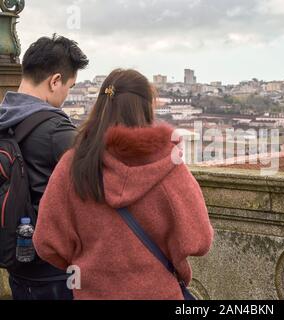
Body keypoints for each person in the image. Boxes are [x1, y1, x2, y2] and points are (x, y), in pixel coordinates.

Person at [33, 69, 214, 300]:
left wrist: (87, 262)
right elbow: (199, 239)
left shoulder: (73, 164)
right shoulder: (169, 165)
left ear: (101, 105)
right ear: (147, 108)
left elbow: (46, 243)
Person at [0, 34, 88, 300]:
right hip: (53, 270)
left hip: (17, 261)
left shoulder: (4, 120)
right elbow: (100, 179)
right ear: (55, 81)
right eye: (69, 87)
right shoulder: (56, 130)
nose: (66, 95)